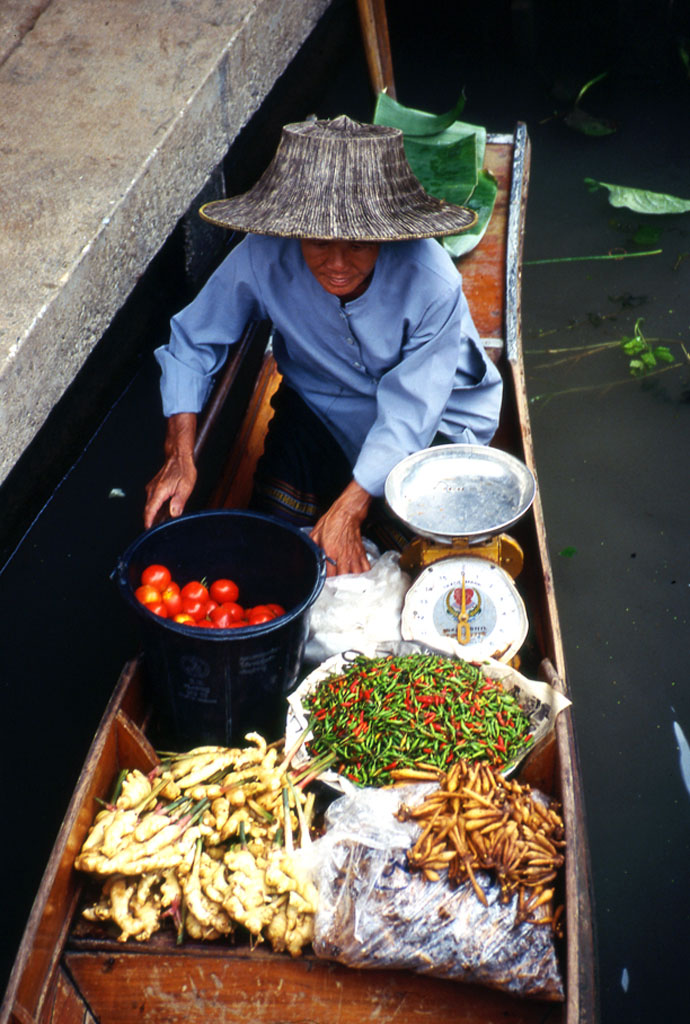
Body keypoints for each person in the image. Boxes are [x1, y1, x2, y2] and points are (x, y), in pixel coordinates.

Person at [144, 115, 502, 575]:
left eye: (357, 245)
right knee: (275, 544)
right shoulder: (261, 255)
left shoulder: (433, 282)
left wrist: (350, 508)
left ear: (385, 237)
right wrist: (180, 453)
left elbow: (411, 412)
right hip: (321, 402)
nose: (336, 264)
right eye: (317, 242)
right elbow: (193, 339)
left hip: (434, 418)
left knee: (416, 555)